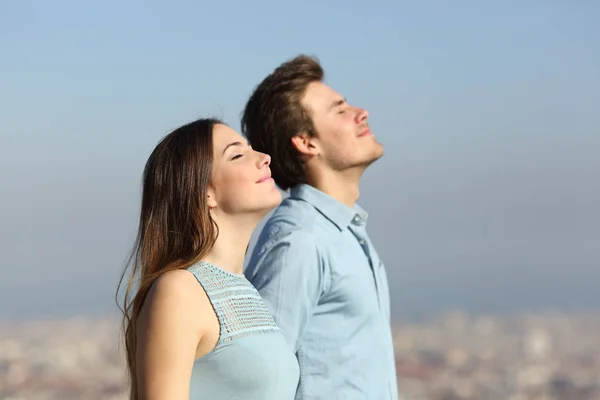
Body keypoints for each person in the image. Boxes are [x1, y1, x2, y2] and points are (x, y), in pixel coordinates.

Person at [241, 55, 398, 399]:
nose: (361, 112)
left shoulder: (344, 233)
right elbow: (257, 383)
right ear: (306, 142)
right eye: (339, 109)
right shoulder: (300, 239)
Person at [116, 118, 299, 400]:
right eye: (238, 155)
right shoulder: (179, 290)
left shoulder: (245, 289)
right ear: (205, 192)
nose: (264, 157)